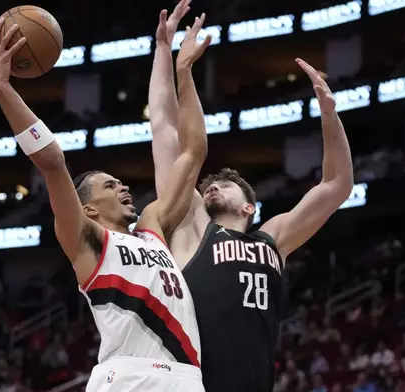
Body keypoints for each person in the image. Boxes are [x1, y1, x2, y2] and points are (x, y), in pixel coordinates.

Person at [0, 2, 211, 389]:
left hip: (187, 378)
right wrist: (2, 88)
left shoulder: (152, 225)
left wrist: (183, 72)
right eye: (110, 185)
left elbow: (193, 152)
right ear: (88, 208)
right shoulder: (88, 242)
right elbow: (54, 162)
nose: (124, 186)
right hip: (128, 376)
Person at [150, 53, 354, 390]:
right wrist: (174, 62)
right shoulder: (194, 227)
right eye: (209, 187)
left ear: (249, 208)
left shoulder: (273, 238)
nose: (212, 186)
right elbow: (165, 133)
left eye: (225, 185)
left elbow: (336, 186)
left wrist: (330, 115)